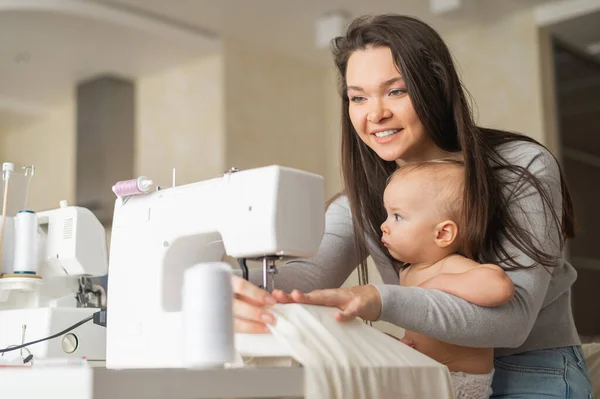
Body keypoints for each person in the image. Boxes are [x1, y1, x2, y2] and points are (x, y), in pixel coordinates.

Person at [231, 14, 593, 397]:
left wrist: (379, 299)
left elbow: (512, 322)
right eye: (358, 97)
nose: (375, 114)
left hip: (534, 369)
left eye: (396, 91)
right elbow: (305, 277)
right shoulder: (367, 197)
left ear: (434, 88)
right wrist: (230, 286)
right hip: (437, 374)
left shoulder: (520, 166)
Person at [381, 160, 514, 398]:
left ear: (442, 233)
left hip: (461, 385)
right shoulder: (408, 271)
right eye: (387, 215)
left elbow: (499, 285)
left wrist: (438, 283)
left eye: (397, 217)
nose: (384, 226)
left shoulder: (449, 265)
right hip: (429, 379)